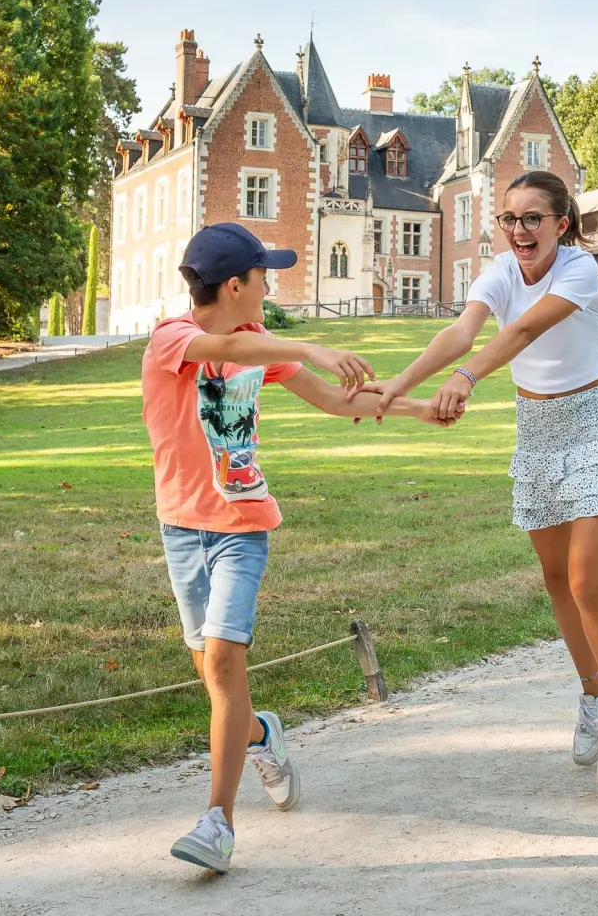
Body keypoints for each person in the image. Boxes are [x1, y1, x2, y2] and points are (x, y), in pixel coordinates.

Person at [144, 222, 444, 874]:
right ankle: (260, 734)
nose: (271, 285)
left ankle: (217, 823)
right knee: (217, 679)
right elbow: (217, 344)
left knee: (224, 663)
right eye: (263, 276)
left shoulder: (259, 345)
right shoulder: (171, 340)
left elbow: (336, 398)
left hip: (243, 526)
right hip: (181, 530)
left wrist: (420, 409)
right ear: (234, 285)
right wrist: (309, 344)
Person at [369, 171, 598, 786]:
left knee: (585, 576)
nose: (519, 231)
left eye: (533, 219)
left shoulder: (578, 269)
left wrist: (467, 379)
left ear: (561, 224)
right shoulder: (498, 271)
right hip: (536, 430)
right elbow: (460, 331)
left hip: (589, 427)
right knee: (555, 579)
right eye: (509, 219)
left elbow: (522, 331)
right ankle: (593, 694)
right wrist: (400, 384)